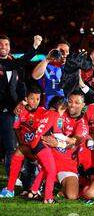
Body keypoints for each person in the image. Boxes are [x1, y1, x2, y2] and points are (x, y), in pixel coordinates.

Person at [0, 34, 41, 177]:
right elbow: (15, 64)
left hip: (10, 111)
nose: (3, 47)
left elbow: (21, 85)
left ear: (10, 47)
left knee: (11, 145)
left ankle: (13, 176)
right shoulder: (11, 63)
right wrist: (34, 48)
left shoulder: (15, 64)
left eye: (6, 44)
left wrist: (22, 101)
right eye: (0, 45)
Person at [0, 86, 46, 197]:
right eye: (32, 99)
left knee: (36, 169)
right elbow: (16, 128)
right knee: (25, 170)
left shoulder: (43, 112)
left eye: (38, 99)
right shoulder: (21, 111)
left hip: (38, 149)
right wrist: (21, 143)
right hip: (26, 147)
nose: (35, 102)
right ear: (26, 98)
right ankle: (13, 190)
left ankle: (37, 187)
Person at [32, 41, 70, 107]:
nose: (64, 54)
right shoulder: (46, 66)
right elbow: (35, 76)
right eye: (61, 51)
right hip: (48, 106)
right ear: (55, 51)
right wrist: (47, 59)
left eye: (67, 51)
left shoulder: (70, 68)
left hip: (66, 107)